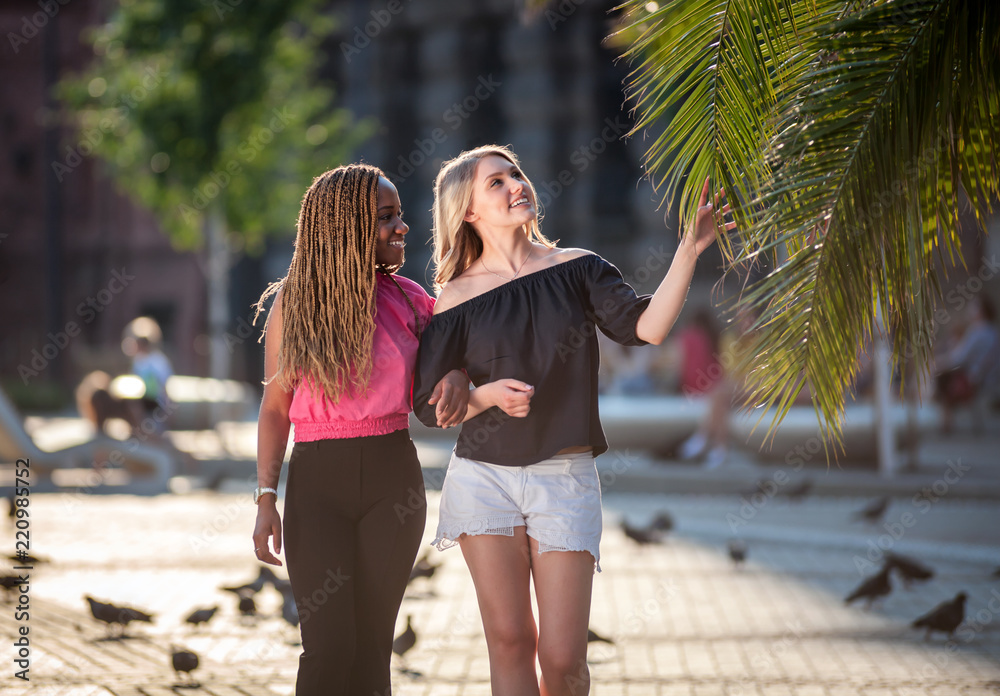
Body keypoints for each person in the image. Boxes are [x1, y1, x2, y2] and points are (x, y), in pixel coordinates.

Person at [412, 145, 732, 696]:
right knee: (510, 641)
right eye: (496, 182)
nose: (516, 185)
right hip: (483, 480)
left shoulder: (578, 269)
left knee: (563, 660)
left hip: (564, 480)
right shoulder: (455, 299)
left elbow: (646, 328)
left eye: (516, 173)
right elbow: (430, 407)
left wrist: (688, 251)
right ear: (467, 211)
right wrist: (486, 395)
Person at [250, 164, 474, 696]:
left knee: (372, 650)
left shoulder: (413, 301)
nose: (402, 227)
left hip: (391, 484)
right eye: (386, 218)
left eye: (399, 215)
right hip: (315, 488)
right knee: (328, 649)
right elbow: (276, 407)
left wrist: (461, 373)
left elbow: (457, 357)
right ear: (346, 227)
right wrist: (265, 498)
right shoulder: (296, 304)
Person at [934, 296, 1000, 433]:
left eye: (974, 306)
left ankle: (946, 422)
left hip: (975, 380)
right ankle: (947, 421)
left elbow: (959, 358)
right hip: (989, 378)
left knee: (940, 376)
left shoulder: (977, 332)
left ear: (980, 311)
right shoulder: (993, 331)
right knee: (942, 376)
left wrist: (938, 363)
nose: (970, 310)